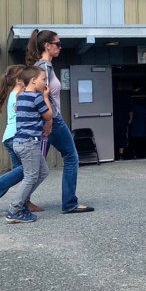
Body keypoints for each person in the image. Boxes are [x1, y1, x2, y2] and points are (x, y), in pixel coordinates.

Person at [26, 30, 94, 213]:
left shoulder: (42, 66)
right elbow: (42, 95)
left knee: (36, 163)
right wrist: (49, 121)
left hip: (48, 120)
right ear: (48, 46)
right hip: (53, 120)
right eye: (58, 44)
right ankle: (70, 203)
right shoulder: (44, 68)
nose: (60, 47)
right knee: (71, 157)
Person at [0, 65, 44, 218]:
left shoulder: (14, 94)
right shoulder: (20, 95)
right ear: (20, 81)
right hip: (17, 137)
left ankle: (15, 200)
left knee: (22, 173)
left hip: (11, 137)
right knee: (28, 171)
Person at [5, 66, 53, 224]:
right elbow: (48, 115)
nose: (45, 82)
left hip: (21, 142)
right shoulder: (36, 97)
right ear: (33, 81)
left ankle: (21, 202)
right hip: (29, 143)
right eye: (43, 79)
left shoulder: (21, 96)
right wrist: (46, 96)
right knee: (31, 176)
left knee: (43, 171)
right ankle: (15, 208)